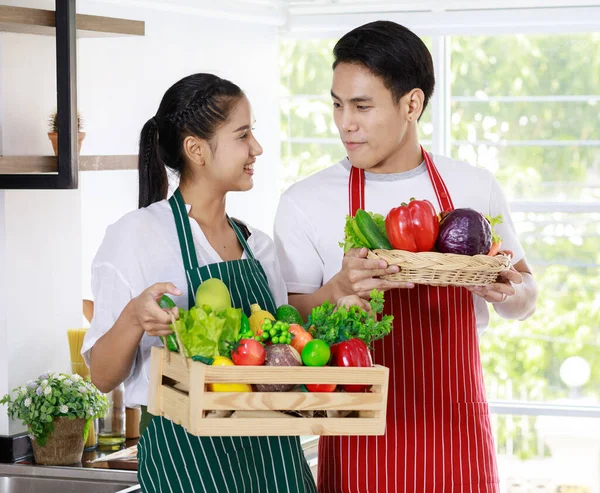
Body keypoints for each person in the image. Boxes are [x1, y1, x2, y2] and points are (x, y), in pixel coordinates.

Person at [274, 21, 538, 492]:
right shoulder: (305, 200)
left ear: (411, 104)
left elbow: (526, 295)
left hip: (456, 434)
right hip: (359, 438)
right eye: (337, 104)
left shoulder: (473, 187)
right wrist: (339, 288)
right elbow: (291, 324)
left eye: (362, 106)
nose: (344, 123)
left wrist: (505, 293)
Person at [82, 73, 317, 493]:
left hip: (275, 456)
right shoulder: (136, 236)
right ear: (196, 150)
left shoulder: (257, 245)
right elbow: (100, 375)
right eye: (243, 135)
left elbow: (285, 350)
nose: (256, 148)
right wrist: (134, 316)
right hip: (186, 459)